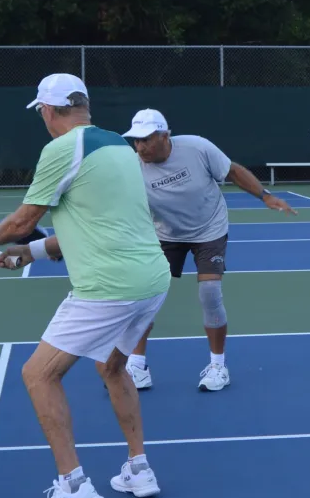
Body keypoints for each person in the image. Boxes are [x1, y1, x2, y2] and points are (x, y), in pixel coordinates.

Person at [0, 74, 171, 498]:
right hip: (152, 281)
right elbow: (94, 225)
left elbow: (25, 218)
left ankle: (73, 485)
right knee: (113, 367)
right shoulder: (121, 148)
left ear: (47, 110)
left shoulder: (61, 150)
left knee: (38, 374)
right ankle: (139, 469)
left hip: (108, 288)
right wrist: (30, 252)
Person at [119, 109, 297, 392]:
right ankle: (137, 366)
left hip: (209, 228)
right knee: (143, 296)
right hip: (164, 233)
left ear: (165, 136)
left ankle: (218, 366)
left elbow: (234, 171)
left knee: (210, 293)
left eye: (146, 140)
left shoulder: (197, 148)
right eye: (135, 140)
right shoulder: (130, 166)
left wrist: (266, 196)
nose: (140, 147)